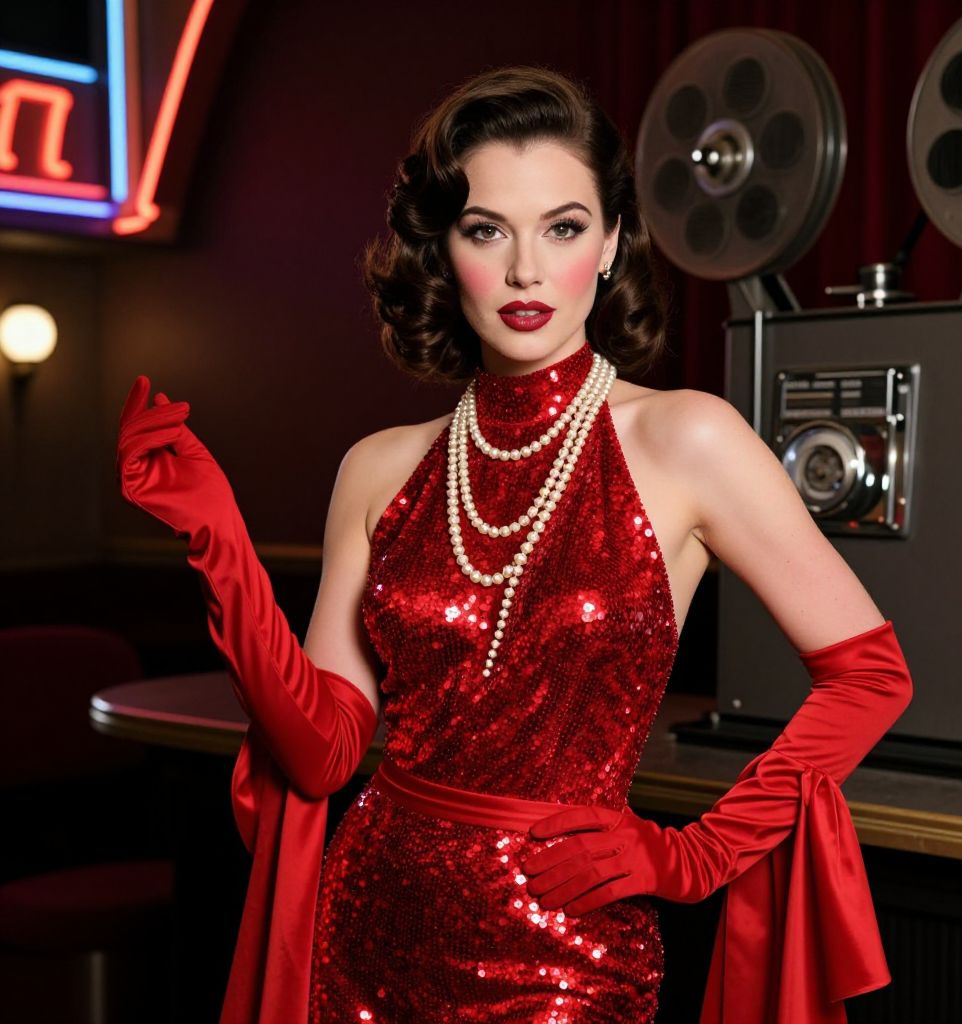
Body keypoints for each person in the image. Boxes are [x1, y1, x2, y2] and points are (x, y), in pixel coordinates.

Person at [115, 66, 913, 1023]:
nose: (527, 271)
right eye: (487, 229)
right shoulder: (380, 466)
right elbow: (324, 754)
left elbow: (871, 674)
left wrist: (694, 854)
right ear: (444, 250)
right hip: (366, 923)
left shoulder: (687, 439)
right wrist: (221, 545)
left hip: (566, 948)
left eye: (564, 228)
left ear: (612, 242)